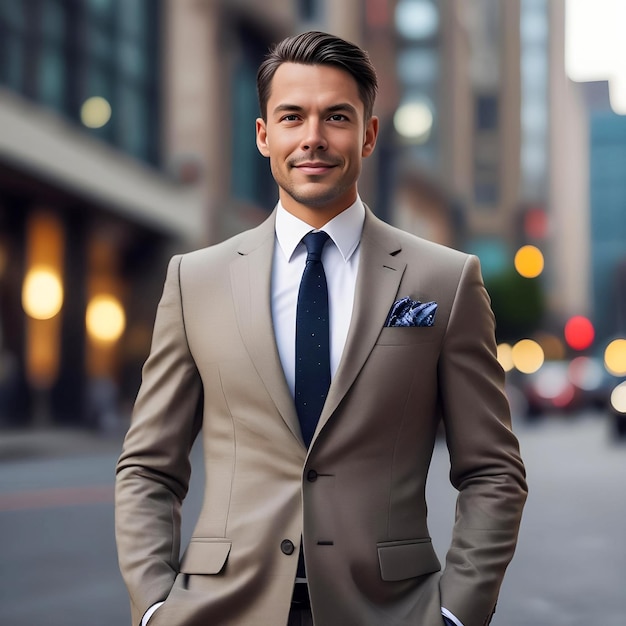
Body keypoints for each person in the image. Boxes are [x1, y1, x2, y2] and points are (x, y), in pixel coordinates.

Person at [115, 30, 527, 626]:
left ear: (368, 135)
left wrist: (457, 614)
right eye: (291, 117)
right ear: (263, 135)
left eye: (336, 116)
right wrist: (155, 606)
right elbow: (148, 468)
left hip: (389, 610)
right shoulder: (194, 280)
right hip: (222, 609)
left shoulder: (446, 280)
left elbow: (493, 471)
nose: (313, 138)